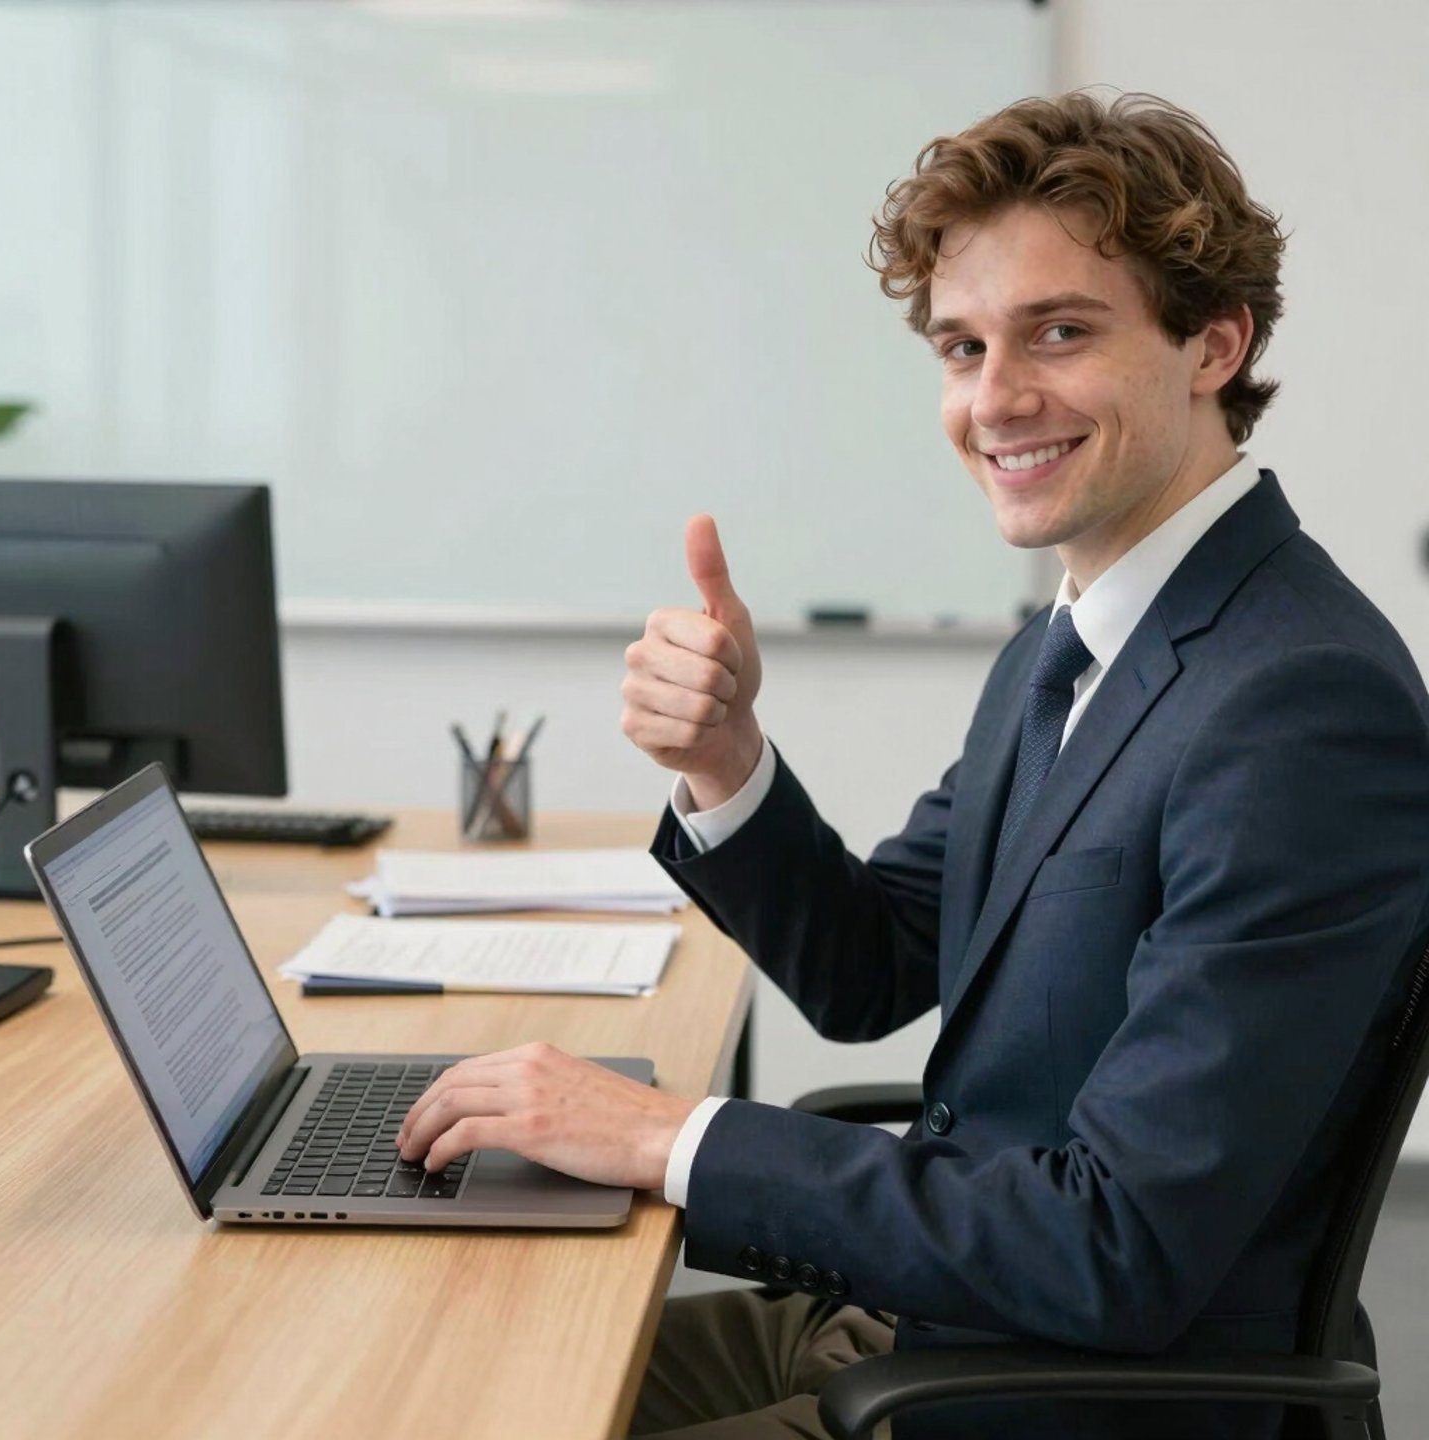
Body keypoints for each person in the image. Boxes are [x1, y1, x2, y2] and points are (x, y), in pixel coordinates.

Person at [397, 93, 1429, 1438]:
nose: (994, 399)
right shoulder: (1073, 646)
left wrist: (667, 1140)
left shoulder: (1298, 707)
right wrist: (726, 759)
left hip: (1070, 1393)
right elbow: (872, 968)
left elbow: (1118, 1246)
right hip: (938, 1314)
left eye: (1060, 331)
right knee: (449, 1373)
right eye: (962, 345)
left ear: (1211, 346)